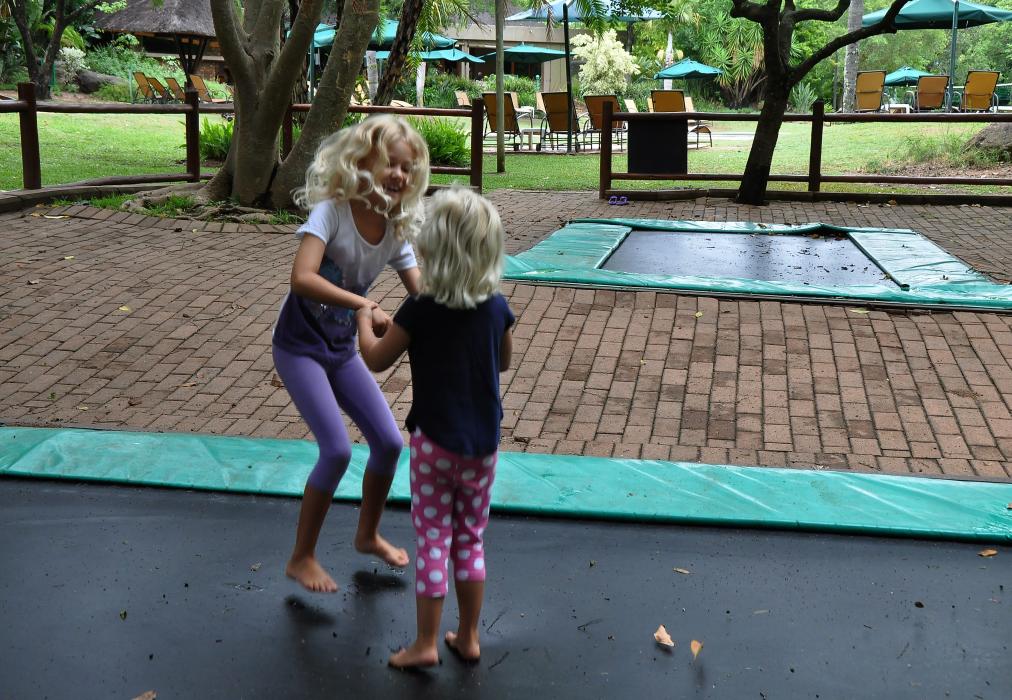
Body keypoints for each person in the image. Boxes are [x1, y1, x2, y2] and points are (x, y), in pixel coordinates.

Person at [356, 187, 514, 669]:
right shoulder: (496, 307)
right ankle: (468, 637)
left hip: (434, 447)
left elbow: (376, 360)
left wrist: (363, 318)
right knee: (470, 539)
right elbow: (503, 362)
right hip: (482, 448)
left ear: (432, 249)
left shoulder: (420, 307)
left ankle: (425, 643)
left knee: (433, 540)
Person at [273, 114, 430, 593]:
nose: (398, 174)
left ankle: (367, 535)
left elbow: (423, 297)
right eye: (389, 163)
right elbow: (302, 278)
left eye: (407, 168)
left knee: (389, 443)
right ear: (361, 162)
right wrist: (363, 305)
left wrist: (467, 313)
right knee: (337, 449)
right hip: (298, 348)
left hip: (341, 351)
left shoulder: (395, 229)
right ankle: (301, 557)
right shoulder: (333, 212)